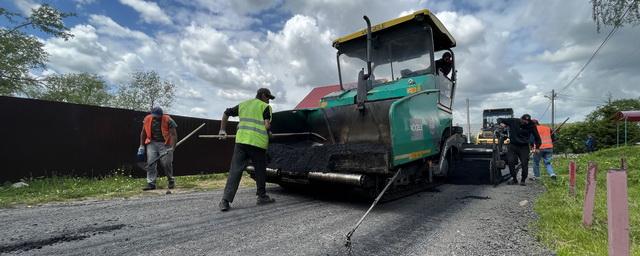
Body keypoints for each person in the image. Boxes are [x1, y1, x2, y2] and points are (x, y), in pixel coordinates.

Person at [218, 88, 277, 211]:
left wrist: (222, 130)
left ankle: (225, 201)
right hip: (257, 144)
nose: (269, 101)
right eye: (268, 98)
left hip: (241, 143)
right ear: (262, 95)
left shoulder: (243, 105)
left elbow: (226, 112)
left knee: (235, 171)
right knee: (260, 170)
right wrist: (270, 133)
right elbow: (266, 125)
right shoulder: (265, 107)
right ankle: (262, 197)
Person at [137, 106, 178, 191]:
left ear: (161, 114)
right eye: (155, 115)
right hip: (152, 143)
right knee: (151, 162)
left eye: (159, 115)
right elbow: (143, 132)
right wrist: (141, 146)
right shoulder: (147, 119)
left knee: (166, 163)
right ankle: (151, 183)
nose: (157, 117)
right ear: (152, 114)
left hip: (165, 144)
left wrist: (173, 147)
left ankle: (171, 180)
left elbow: (174, 135)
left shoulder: (168, 120)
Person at [498, 114, 541, 186]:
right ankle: (514, 179)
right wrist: (501, 123)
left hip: (524, 147)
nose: (526, 122)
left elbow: (537, 137)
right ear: (521, 119)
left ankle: (523, 180)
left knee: (524, 163)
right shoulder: (513, 121)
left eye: (527, 121)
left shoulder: (531, 125)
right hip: (513, 145)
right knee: (510, 161)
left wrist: (537, 148)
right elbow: (499, 119)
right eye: (524, 121)